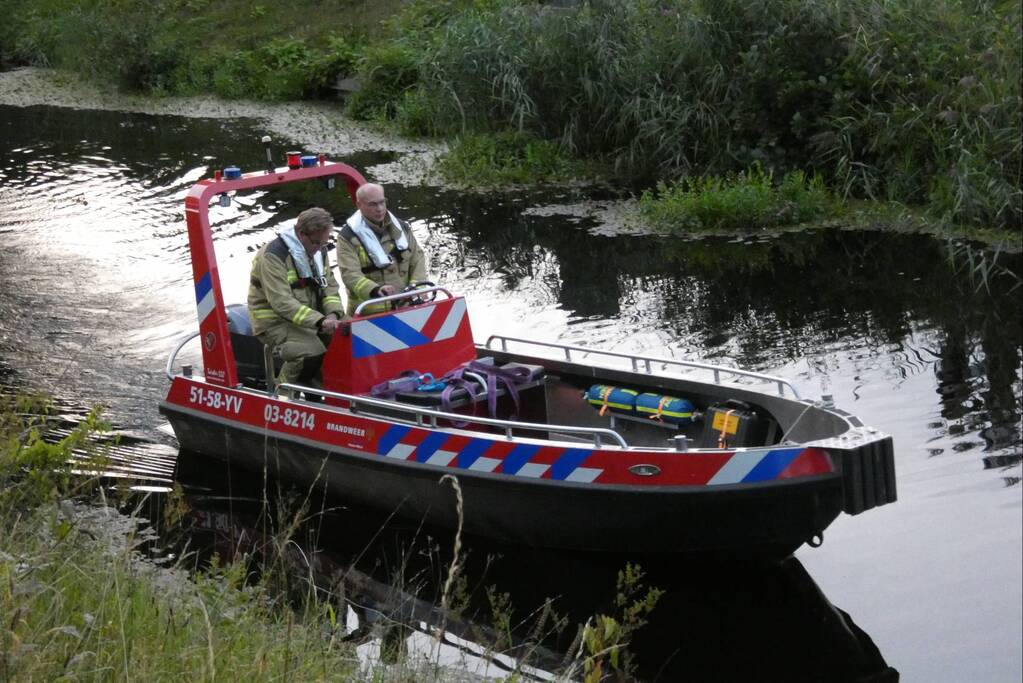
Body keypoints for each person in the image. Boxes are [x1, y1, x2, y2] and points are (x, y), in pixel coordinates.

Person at [248, 207, 345, 387]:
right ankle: (283, 393)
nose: (319, 249)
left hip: (312, 317)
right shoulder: (273, 256)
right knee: (309, 352)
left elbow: (329, 287)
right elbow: (281, 302)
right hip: (274, 321)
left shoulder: (319, 250)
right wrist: (320, 321)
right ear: (301, 234)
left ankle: (328, 391)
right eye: (316, 243)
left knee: (351, 339)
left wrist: (333, 314)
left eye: (323, 244)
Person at [336, 182, 428, 315]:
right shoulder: (347, 237)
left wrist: (416, 288)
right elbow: (350, 275)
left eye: (382, 202)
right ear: (359, 205)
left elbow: (417, 258)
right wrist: (375, 290)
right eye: (372, 204)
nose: (379, 209)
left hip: (406, 307)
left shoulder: (401, 227)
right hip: (368, 314)